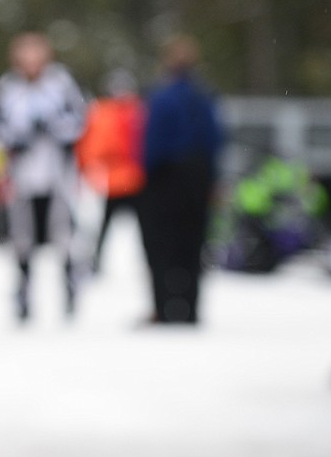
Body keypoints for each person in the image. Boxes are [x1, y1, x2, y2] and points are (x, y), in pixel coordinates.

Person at [0, 32, 87, 321]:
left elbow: (80, 121)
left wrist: (55, 128)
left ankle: (70, 289)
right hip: (23, 177)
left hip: (57, 175)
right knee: (22, 240)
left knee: (63, 237)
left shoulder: (61, 84)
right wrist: (16, 139)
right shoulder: (6, 88)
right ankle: (23, 295)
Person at [138, 34, 223, 324]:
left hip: (166, 177)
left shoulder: (162, 97)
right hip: (198, 176)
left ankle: (164, 308)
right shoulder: (204, 96)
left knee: (162, 246)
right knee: (193, 245)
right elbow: (215, 140)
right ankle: (190, 308)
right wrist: (211, 177)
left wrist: (148, 177)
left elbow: (152, 143)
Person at [75, 68, 145, 275]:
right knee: (106, 225)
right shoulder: (106, 113)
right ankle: (96, 261)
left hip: (131, 181)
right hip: (117, 182)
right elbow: (92, 147)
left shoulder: (135, 112)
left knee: (140, 229)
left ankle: (100, 261)